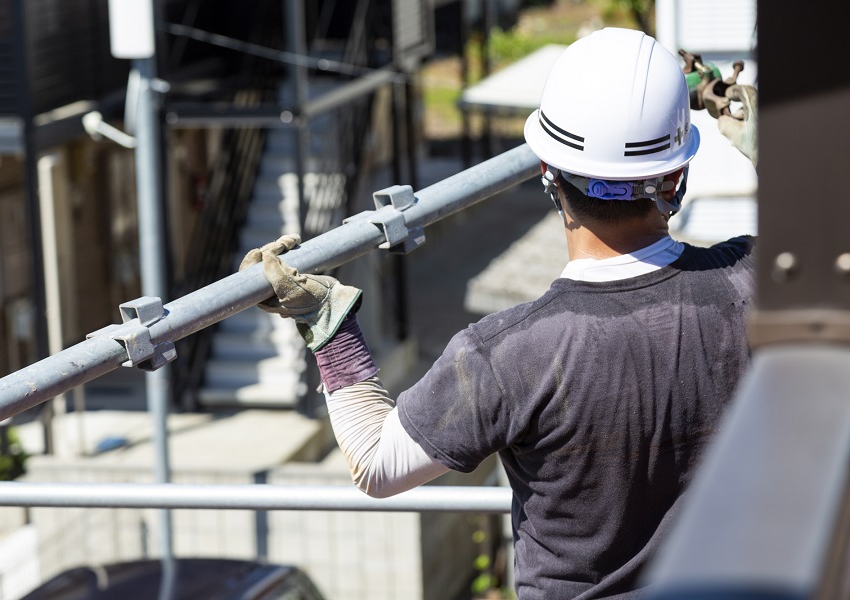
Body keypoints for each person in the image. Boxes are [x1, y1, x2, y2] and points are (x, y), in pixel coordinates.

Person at [241, 27, 758, 600]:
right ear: (677, 177)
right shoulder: (752, 283)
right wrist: (756, 135)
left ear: (547, 174)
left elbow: (377, 463)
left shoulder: (510, 354)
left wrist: (326, 322)